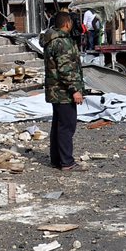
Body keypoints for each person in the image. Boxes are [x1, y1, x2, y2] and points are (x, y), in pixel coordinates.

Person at [42, 12, 86, 171]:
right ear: (67, 24)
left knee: (58, 126)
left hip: (55, 91)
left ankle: (57, 160)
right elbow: (66, 69)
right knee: (67, 126)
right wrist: (75, 90)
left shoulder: (50, 40)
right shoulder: (62, 42)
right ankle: (66, 162)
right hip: (63, 92)